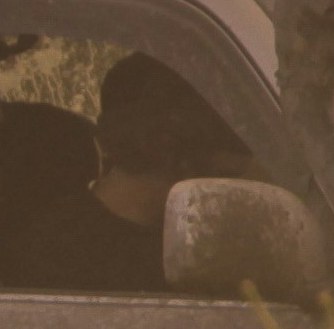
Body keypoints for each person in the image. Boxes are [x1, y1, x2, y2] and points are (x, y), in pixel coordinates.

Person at [29, 54, 251, 293]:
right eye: (224, 166)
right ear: (168, 145)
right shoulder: (66, 251)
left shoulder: (187, 240)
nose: (227, 180)